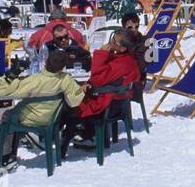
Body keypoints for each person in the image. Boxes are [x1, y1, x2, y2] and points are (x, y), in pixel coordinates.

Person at [0, 50, 85, 175]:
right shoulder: (65, 79)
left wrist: (11, 74)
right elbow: (74, 101)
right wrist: (81, 90)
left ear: (46, 62)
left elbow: (3, 91)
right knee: (6, 115)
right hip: (50, 118)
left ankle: (0, 158)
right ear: (62, 68)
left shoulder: (35, 80)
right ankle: (7, 154)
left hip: (27, 117)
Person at [59, 29, 143, 159]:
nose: (110, 43)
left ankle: (63, 139)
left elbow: (98, 78)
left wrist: (101, 54)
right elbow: (105, 78)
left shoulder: (123, 63)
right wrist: (90, 83)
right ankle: (86, 134)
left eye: (113, 41)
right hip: (114, 102)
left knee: (67, 104)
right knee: (73, 97)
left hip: (107, 106)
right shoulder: (126, 60)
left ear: (122, 48)